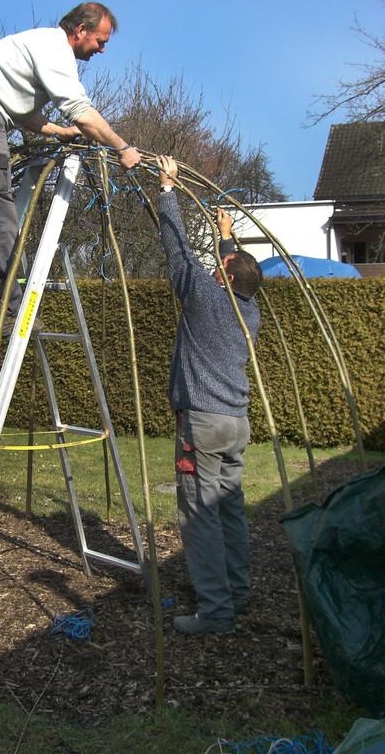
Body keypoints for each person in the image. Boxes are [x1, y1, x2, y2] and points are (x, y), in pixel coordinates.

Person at [0, 2, 141, 337]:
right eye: (100, 41)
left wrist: (57, 131)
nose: (102, 49)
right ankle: (9, 312)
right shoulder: (55, 48)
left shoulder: (35, 46)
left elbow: (20, 111)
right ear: (80, 30)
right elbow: (81, 110)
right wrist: (123, 147)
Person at [156, 155, 263, 635]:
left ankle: (216, 614)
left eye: (221, 263)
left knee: (199, 517)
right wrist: (225, 235)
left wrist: (168, 190)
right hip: (235, 424)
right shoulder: (249, 311)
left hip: (201, 424)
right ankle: (237, 596)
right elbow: (234, 270)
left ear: (223, 274)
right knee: (230, 510)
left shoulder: (203, 295)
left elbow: (178, 252)